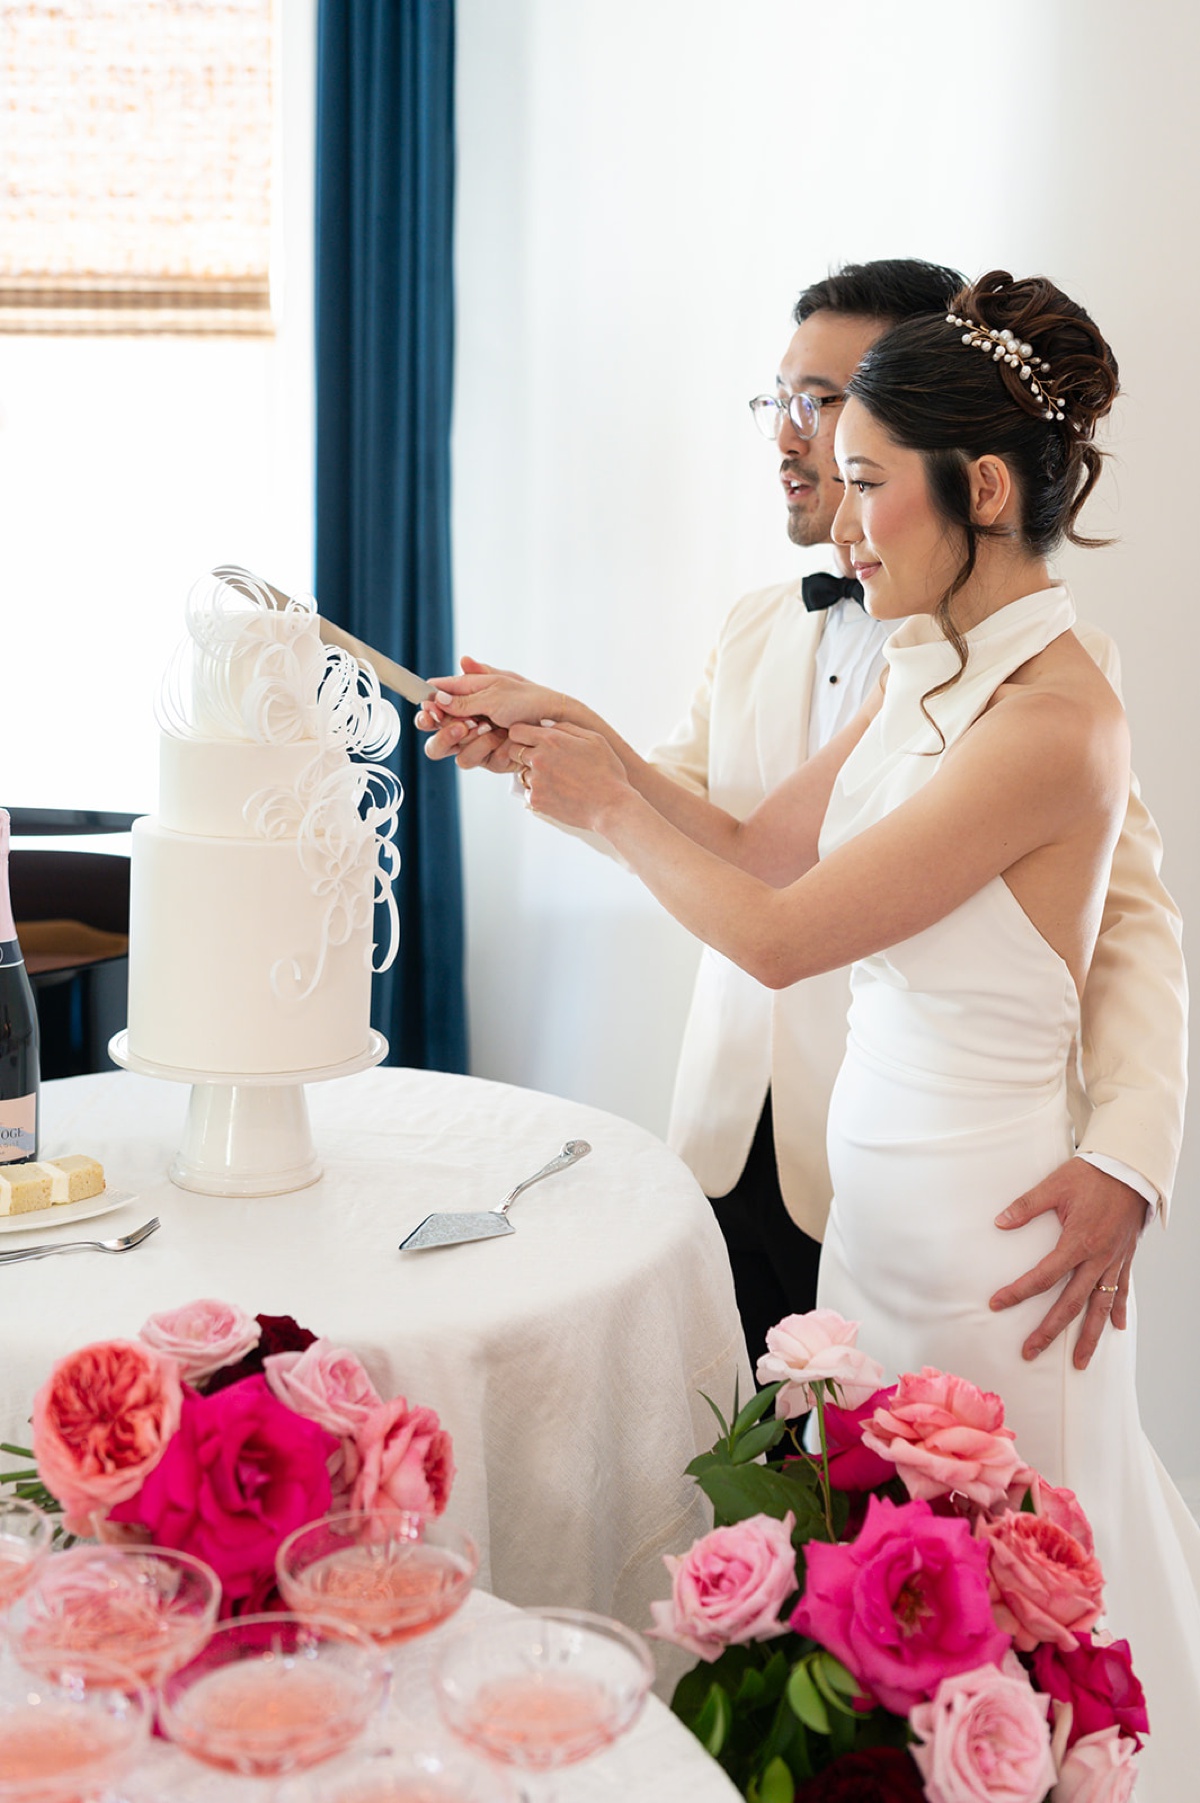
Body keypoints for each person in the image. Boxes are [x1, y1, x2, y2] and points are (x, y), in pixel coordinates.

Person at [432, 271, 1200, 1794]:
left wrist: (1135, 1146)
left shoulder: (1054, 719)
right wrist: (573, 743)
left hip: (997, 1243)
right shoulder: (923, 672)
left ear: (978, 489)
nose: (844, 531)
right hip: (880, 1234)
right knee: (884, 1605)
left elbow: (782, 940)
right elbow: (767, 850)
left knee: (1005, 1607)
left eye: (865, 483)